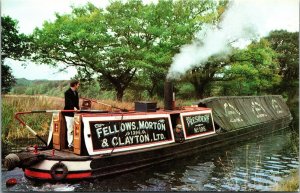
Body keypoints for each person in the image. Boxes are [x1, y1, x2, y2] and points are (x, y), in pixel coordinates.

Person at [63, 80, 80, 151]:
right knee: (70, 129)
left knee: (76, 129)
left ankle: (76, 144)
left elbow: (76, 103)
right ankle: (70, 145)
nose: (79, 86)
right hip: (69, 114)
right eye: (78, 84)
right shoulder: (67, 92)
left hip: (75, 114)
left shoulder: (76, 92)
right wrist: (74, 108)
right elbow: (68, 102)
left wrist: (78, 110)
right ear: (75, 85)